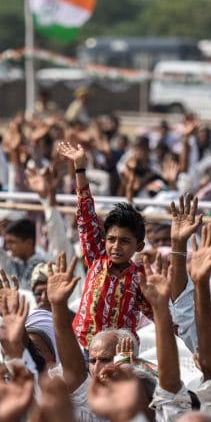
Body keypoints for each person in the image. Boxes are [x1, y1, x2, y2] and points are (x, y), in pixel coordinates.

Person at [58, 141, 153, 349]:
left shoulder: (141, 277)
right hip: (82, 348)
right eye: (111, 239)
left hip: (119, 356)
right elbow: (85, 214)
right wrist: (80, 168)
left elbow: (161, 316)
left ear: (139, 246)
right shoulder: (96, 257)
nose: (116, 246)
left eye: (125, 241)